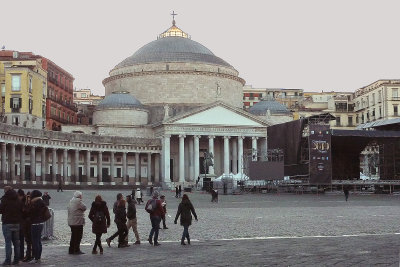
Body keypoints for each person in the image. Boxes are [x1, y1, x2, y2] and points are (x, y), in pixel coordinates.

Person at [0, 186, 23, 265]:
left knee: (8, 242)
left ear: (6, 191)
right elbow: (21, 209)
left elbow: (1, 210)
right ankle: (16, 260)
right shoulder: (18, 199)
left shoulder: (4, 199)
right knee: (16, 242)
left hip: (7, 222)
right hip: (17, 223)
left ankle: (8, 260)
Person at [29, 190, 47, 263]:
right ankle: (38, 257)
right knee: (38, 241)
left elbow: (31, 213)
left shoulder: (34, 203)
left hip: (34, 223)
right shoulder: (42, 202)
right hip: (40, 223)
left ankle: (36, 258)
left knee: (35, 241)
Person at [67, 191, 87, 255]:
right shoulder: (78, 201)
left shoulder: (71, 201)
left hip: (71, 221)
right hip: (77, 222)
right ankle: (76, 249)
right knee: (78, 236)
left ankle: (71, 249)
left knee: (73, 236)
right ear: (79, 196)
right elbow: (84, 207)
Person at [22, 191, 32, 262]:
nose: (28, 200)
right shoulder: (25, 205)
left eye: (29, 199)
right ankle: (28, 255)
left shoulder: (31, 206)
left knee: (30, 241)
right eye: (27, 199)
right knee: (28, 241)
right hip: (26, 225)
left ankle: (29, 255)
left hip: (29, 225)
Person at [17, 189, 26, 261]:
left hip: (22, 223)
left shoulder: (23, 203)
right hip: (21, 223)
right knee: (20, 240)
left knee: (21, 240)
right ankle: (20, 255)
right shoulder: (22, 202)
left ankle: (21, 255)